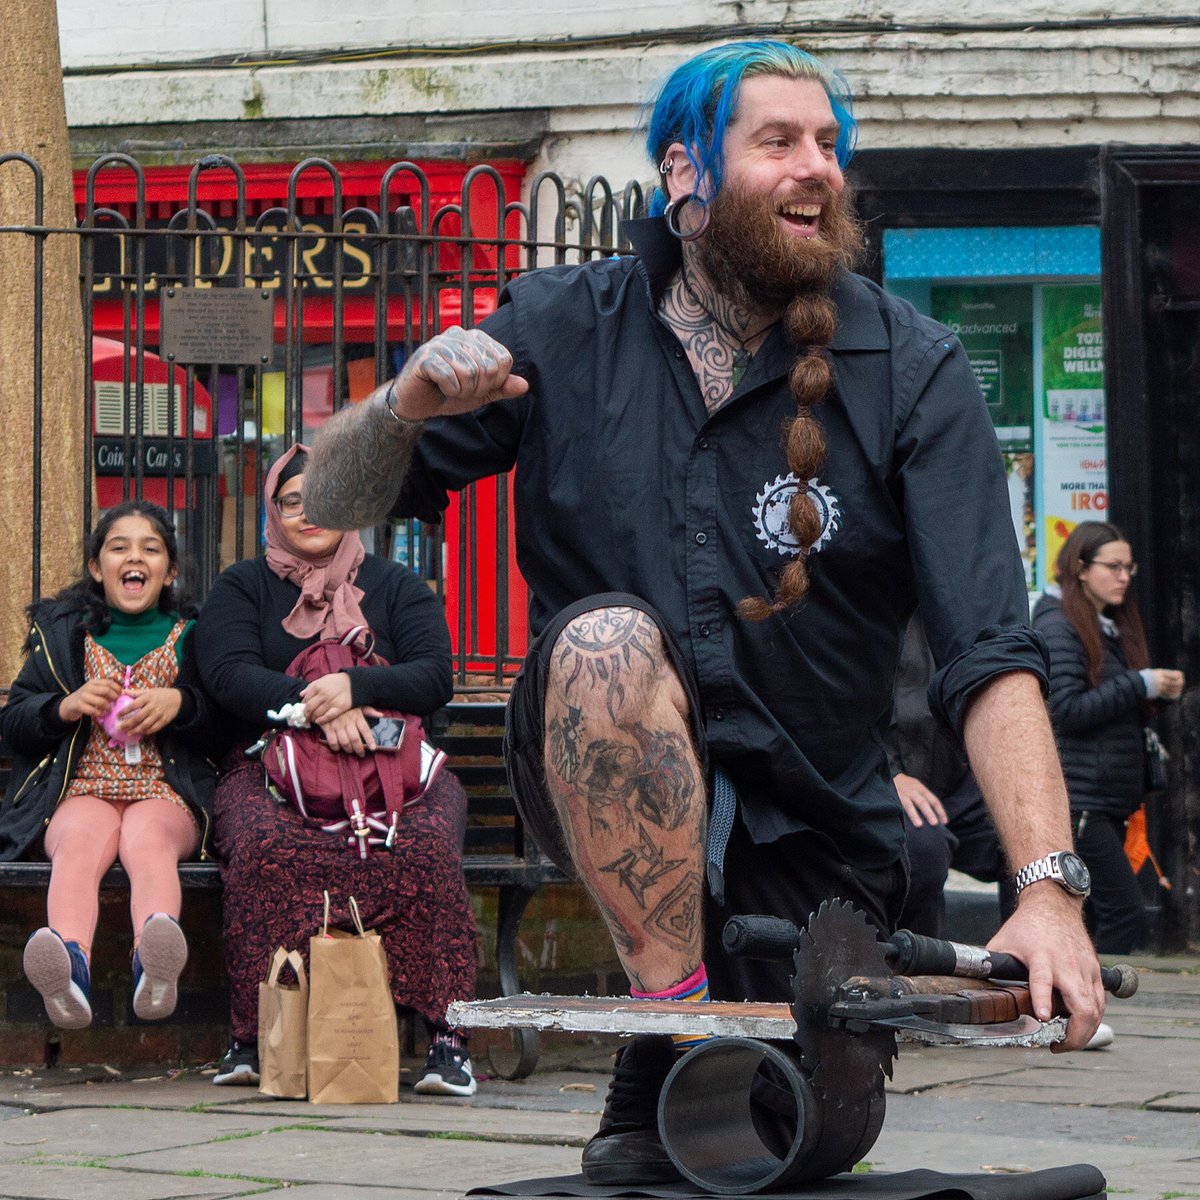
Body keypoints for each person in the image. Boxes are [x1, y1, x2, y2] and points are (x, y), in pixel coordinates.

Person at [303, 40, 1104, 1183]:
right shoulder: (562, 326)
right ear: (683, 172)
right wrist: (402, 405)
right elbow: (327, 501)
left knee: (788, 1143)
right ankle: (670, 1030)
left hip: (823, 830)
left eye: (829, 144)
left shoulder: (912, 364)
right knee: (606, 642)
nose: (816, 167)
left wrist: (1047, 891)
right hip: (603, 768)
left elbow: (991, 646)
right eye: (776, 140)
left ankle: (704, 1060)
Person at [194, 444, 479, 1097]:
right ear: (275, 511)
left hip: (390, 760)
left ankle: (448, 1042)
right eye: (291, 500)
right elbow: (227, 672)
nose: (307, 512)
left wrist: (351, 686)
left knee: (429, 848)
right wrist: (314, 709)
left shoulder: (398, 585)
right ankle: (253, 1036)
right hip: (274, 763)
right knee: (264, 849)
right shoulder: (244, 586)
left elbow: (435, 675)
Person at [0, 501, 218, 1030]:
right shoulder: (63, 634)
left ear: (169, 571)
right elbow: (15, 722)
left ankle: (153, 964)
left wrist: (182, 705)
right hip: (81, 789)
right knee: (76, 843)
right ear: (97, 568)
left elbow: (227, 718)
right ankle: (70, 967)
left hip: (165, 791)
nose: (134, 557)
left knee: (147, 841)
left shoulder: (197, 634)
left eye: (151, 548)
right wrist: (63, 707)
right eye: (119, 547)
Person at [1032, 521, 1184, 954]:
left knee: (1098, 916)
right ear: (1080, 568)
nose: (1124, 577)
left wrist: (1150, 692)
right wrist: (1141, 684)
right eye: (1113, 566)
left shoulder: (1105, 624)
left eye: (1128, 567)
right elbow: (1066, 709)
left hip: (1106, 800)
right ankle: (1093, 1010)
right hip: (1082, 802)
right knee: (1124, 914)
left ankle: (1079, 1014)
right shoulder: (1060, 625)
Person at [888, 613, 1012, 939]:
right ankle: (916, 972)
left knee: (1026, 834)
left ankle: (1023, 967)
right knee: (924, 849)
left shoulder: (951, 607)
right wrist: (890, 774)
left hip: (952, 775)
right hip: (880, 779)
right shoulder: (864, 605)